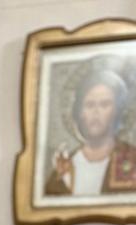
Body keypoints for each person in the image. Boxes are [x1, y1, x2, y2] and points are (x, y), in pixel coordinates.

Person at [46, 66, 136, 197]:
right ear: (80, 112)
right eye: (89, 105)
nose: (96, 112)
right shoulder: (65, 166)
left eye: (104, 104)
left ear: (117, 111)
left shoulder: (132, 158)